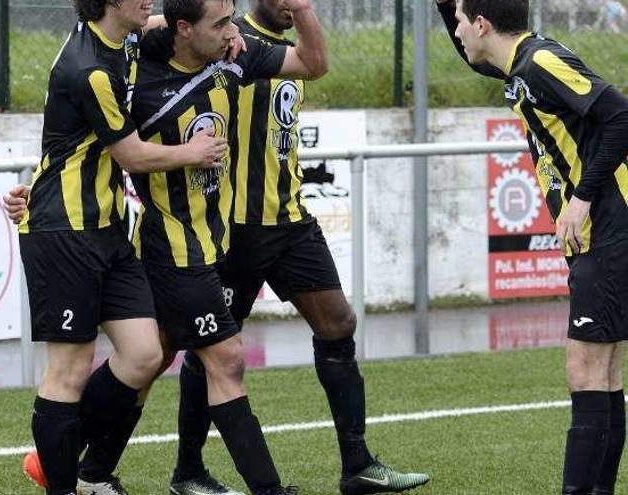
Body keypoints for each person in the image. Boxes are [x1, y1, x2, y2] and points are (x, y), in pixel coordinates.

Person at [168, 2, 431, 494]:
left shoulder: (290, 42)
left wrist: (305, 11)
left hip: (290, 220)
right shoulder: (227, 38)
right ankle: (188, 471)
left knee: (338, 323)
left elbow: (317, 63)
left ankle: (357, 465)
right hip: (233, 229)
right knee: (210, 351)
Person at [14, 0, 232, 494]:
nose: (150, 2)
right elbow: (130, 153)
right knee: (67, 369)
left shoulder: (120, 37)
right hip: (64, 233)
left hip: (109, 228)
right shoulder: (89, 68)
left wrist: (229, 33)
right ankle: (65, 485)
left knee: (143, 354)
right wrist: (191, 153)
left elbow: (166, 23)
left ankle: (56, 458)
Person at [435, 0, 628, 493]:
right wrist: (443, 4)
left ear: (481, 24)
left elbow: (620, 116)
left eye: (459, 21)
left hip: (608, 223)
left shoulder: (539, 62)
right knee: (602, 369)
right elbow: (472, 55)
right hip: (601, 230)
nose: (457, 33)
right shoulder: (519, 64)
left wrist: (582, 198)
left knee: (586, 365)